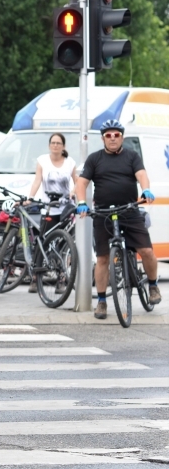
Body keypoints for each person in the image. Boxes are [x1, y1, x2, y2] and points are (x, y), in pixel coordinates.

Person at [75, 119, 161, 319]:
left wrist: (146, 189)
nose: (112, 138)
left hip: (129, 211)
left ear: (122, 137)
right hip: (103, 213)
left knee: (147, 251)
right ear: (103, 138)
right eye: (108, 135)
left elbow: (142, 175)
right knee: (103, 258)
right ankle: (102, 301)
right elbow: (82, 183)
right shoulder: (94, 159)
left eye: (116, 135)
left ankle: (153, 286)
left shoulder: (132, 156)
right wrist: (81, 202)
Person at [23, 133, 77, 293]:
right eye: (53, 143)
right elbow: (37, 180)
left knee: (63, 245)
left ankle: (61, 279)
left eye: (58, 143)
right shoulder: (42, 161)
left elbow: (78, 181)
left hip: (65, 209)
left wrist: (73, 192)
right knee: (42, 242)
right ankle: (35, 277)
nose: (55, 146)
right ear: (49, 145)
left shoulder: (70, 163)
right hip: (48, 209)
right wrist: (30, 198)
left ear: (63, 146)